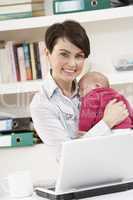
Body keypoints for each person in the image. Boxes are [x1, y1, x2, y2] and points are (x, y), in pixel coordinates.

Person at [30, 20, 128, 151]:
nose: (72, 64)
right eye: (64, 54)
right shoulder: (42, 104)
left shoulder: (92, 88)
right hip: (78, 172)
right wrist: (107, 122)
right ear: (48, 54)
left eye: (79, 56)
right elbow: (65, 154)